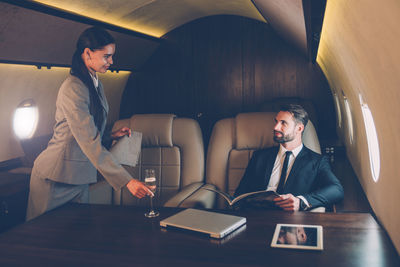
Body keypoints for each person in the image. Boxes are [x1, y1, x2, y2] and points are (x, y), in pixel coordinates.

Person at [26, 27, 153, 221]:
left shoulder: (95, 83)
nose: (111, 62)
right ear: (87, 53)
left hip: (80, 177)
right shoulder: (73, 88)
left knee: (77, 238)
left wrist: (110, 135)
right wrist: (127, 181)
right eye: (107, 56)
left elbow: (88, 130)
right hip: (55, 179)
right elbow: (89, 141)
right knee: (43, 242)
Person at [234, 104, 344, 211]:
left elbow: (336, 190)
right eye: (276, 121)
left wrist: (300, 202)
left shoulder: (317, 161)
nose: (276, 127)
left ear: (299, 129)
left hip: (291, 220)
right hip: (256, 217)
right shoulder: (260, 156)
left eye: (283, 123)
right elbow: (240, 194)